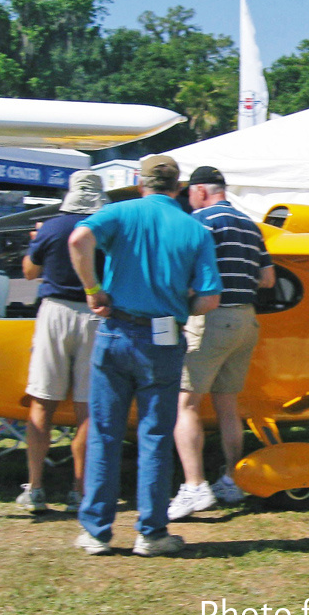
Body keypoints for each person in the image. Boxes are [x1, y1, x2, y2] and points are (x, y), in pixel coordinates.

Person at [68, 155, 222, 556]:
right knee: (155, 435)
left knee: (105, 431)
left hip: (116, 331)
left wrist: (92, 288)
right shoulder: (195, 229)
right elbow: (209, 299)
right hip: (163, 336)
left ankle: (97, 531)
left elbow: (77, 240)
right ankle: (151, 533)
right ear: (180, 188)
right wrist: (180, 304)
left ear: (141, 182)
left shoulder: (118, 212)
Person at [169, 166, 274, 520]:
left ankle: (194, 486)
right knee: (228, 405)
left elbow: (184, 269)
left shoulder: (202, 222)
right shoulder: (250, 225)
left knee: (185, 404)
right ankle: (231, 479)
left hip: (211, 318)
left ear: (199, 191)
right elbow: (268, 278)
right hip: (246, 319)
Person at [16, 171, 108, 513]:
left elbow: (28, 271)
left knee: (42, 402)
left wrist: (36, 243)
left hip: (55, 312)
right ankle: (80, 489)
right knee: (88, 407)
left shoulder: (52, 227)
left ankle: (36, 486)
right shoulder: (106, 226)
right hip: (95, 311)